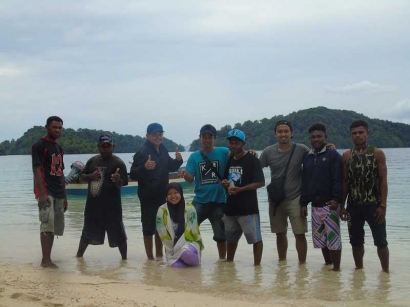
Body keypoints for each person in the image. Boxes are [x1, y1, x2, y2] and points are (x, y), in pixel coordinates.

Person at [341, 120, 389, 272]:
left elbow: (383, 180)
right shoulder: (347, 155)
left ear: (367, 133)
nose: (358, 135)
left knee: (381, 241)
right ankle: (359, 270)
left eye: (361, 132)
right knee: (355, 241)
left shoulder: (377, 153)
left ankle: (385, 272)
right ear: (350, 136)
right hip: (354, 205)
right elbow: (345, 182)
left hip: (374, 205)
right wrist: (342, 206)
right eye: (354, 133)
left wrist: (383, 205)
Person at [130, 123, 183, 260]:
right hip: (147, 196)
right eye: (154, 135)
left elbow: (170, 166)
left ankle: (159, 256)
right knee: (148, 228)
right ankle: (150, 258)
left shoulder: (163, 149)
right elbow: (133, 174)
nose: (158, 137)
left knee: (161, 227)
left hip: (162, 195)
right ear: (147, 136)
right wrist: (144, 167)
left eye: (160, 134)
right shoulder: (142, 152)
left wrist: (178, 161)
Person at [259, 120, 309, 263]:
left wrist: (330, 147)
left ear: (291, 133)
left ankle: (302, 265)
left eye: (286, 131)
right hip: (276, 199)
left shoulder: (302, 149)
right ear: (275, 134)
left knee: (299, 233)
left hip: (296, 197)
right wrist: (249, 155)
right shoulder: (268, 152)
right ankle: (282, 262)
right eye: (280, 131)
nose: (283, 134)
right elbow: (256, 169)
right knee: (280, 233)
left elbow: (314, 162)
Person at [178, 124, 229, 260]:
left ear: (215, 138)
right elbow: (190, 180)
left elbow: (238, 157)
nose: (207, 140)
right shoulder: (194, 157)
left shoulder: (224, 152)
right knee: (188, 230)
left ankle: (223, 262)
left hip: (219, 201)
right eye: (204, 137)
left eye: (210, 137)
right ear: (200, 138)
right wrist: (184, 174)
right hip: (200, 200)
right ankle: (188, 257)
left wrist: (251, 153)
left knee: (221, 235)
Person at [76, 134, 128, 260]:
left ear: (113, 146)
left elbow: (123, 183)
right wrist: (90, 177)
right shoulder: (92, 161)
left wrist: (117, 180)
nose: (105, 148)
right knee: (86, 234)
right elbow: (80, 178)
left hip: (113, 208)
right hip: (93, 207)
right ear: (98, 147)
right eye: (103, 146)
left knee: (120, 236)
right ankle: (78, 258)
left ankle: (125, 261)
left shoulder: (119, 163)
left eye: (108, 146)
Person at [300, 123, 343, 271]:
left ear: (326, 137)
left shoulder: (333, 155)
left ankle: (336, 270)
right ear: (309, 139)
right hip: (315, 206)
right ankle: (328, 266)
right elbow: (305, 182)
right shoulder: (308, 158)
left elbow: (338, 179)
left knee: (334, 239)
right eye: (313, 137)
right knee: (321, 239)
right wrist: (303, 203)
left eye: (319, 136)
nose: (316, 139)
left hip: (330, 204)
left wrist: (337, 199)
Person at [221, 129, 265, 265]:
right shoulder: (229, 159)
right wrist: (225, 184)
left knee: (255, 239)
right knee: (231, 239)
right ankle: (229, 265)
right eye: (231, 142)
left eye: (237, 143)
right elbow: (226, 179)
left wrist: (242, 189)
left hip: (248, 208)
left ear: (243, 143)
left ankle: (257, 268)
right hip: (230, 208)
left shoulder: (252, 160)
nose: (234, 145)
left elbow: (261, 182)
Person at [31, 116, 68, 268]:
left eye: (60, 127)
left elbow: (60, 173)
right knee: (46, 224)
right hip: (46, 191)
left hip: (58, 192)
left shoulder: (59, 149)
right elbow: (37, 169)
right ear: (47, 127)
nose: (57, 130)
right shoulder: (40, 145)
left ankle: (49, 258)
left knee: (54, 227)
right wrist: (41, 193)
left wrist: (65, 196)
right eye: (54, 127)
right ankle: (45, 260)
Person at [156, 182, 204, 268]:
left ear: (181, 193)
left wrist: (180, 248)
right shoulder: (162, 210)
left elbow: (191, 231)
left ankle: (197, 273)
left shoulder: (189, 207)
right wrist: (173, 249)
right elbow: (162, 233)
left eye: (176, 192)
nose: (173, 196)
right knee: (177, 268)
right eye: (169, 194)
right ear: (166, 196)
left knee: (187, 255)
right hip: (171, 247)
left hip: (190, 242)